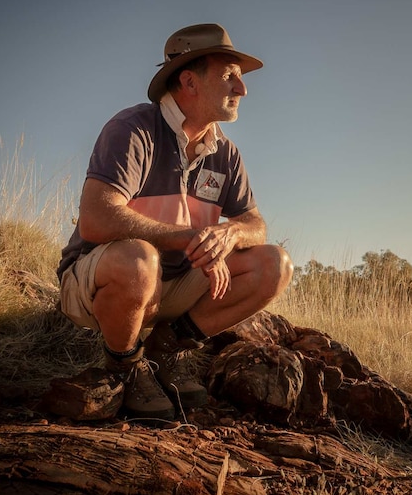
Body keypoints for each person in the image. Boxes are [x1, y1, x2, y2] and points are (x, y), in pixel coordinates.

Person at [56, 23, 294, 420]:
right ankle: (126, 365)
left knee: (273, 263)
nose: (242, 88)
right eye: (229, 76)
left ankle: (167, 349)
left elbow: (255, 223)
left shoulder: (226, 153)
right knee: (138, 260)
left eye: (239, 78)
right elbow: (96, 220)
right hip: (104, 283)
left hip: (173, 287)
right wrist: (190, 237)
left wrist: (231, 233)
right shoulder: (133, 129)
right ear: (189, 81)